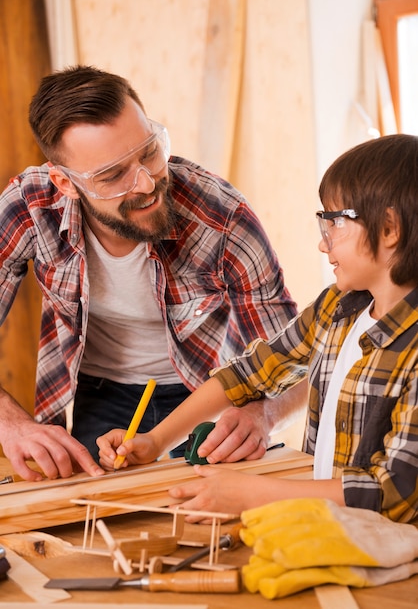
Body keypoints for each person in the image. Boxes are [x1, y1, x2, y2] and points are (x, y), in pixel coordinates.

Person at [0, 65, 301, 481]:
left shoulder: (222, 218)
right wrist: (11, 423)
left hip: (210, 395)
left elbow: (295, 360)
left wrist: (263, 414)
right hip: (103, 392)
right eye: (112, 176)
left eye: (149, 152)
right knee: (95, 519)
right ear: (65, 183)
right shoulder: (30, 205)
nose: (145, 183)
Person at [98, 133, 418, 526]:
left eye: (334, 223)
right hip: (336, 531)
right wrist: (156, 440)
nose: (324, 244)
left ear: (389, 229)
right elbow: (248, 373)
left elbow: (394, 494)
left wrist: (254, 495)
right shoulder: (337, 309)